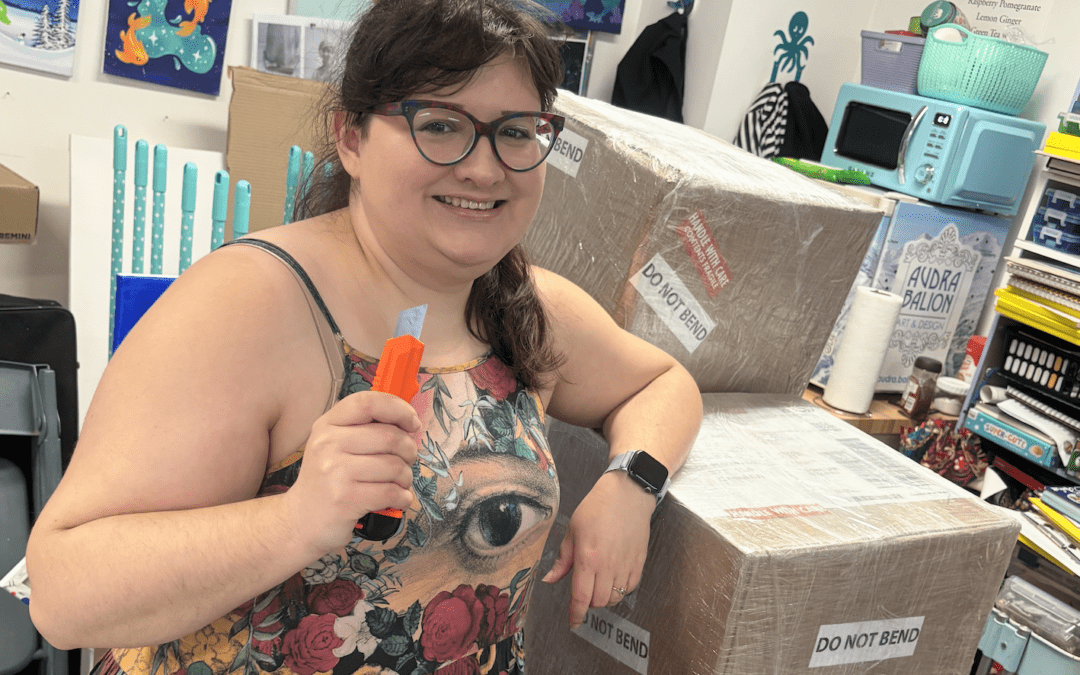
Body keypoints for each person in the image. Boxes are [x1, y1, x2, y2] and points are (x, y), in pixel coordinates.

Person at [26, 0, 703, 673]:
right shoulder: (252, 303)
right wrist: (293, 521)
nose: (485, 167)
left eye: (517, 132)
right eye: (441, 125)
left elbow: (661, 384)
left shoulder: (524, 307)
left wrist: (631, 485)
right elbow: (64, 593)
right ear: (351, 137)